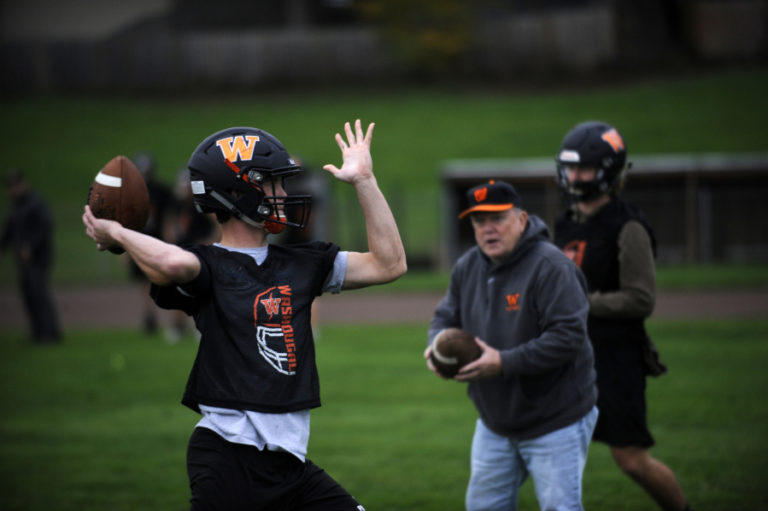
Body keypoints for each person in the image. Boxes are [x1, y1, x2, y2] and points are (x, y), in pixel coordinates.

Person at [83, 119, 406, 510]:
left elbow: (389, 264)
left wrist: (365, 181)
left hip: (289, 464)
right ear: (238, 193)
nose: (285, 193)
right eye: (273, 183)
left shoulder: (303, 263)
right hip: (228, 456)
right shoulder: (209, 264)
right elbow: (171, 264)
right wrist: (116, 232)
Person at [426, 179, 598, 511]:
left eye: (497, 218)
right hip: (495, 423)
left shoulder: (552, 267)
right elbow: (445, 316)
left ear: (521, 220)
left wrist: (503, 362)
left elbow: (568, 337)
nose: (488, 229)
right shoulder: (468, 266)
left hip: (555, 418)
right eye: (479, 221)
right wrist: (437, 345)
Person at [552, 121, 692, 511]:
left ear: (609, 172)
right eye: (570, 168)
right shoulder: (566, 221)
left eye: (584, 169)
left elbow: (640, 299)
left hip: (615, 359)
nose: (574, 177)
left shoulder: (627, 226)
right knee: (540, 447)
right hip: (568, 355)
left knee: (631, 461)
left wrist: (578, 303)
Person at [1, 169, 61, 343]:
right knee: (28, 294)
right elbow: (9, 230)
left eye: (16, 185)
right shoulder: (14, 206)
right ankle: (37, 332)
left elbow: (46, 226)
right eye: (10, 187)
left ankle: (50, 333)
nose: (14, 189)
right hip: (22, 260)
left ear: (24, 184)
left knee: (39, 293)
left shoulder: (36, 202)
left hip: (39, 257)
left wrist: (31, 246)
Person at [128, 152, 175, 334]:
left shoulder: (162, 191)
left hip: (159, 241)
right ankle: (149, 317)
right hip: (138, 241)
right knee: (143, 281)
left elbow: (172, 214)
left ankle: (174, 320)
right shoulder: (131, 193)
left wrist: (169, 235)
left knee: (167, 279)